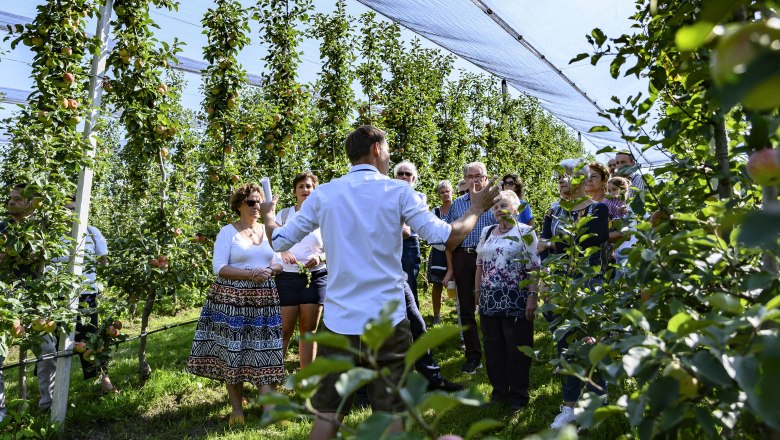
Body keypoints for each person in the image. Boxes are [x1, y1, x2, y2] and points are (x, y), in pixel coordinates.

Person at [259, 125, 500, 440]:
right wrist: (477, 207)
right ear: (376, 149)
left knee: (328, 413)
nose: (388, 158)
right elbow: (446, 237)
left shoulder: (325, 194)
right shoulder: (398, 191)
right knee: (391, 414)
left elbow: (279, 240)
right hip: (387, 320)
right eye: (387, 150)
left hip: (340, 321)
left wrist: (269, 216)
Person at [187, 183, 285, 427]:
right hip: (233, 300)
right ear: (239, 205)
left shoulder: (269, 229)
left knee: (266, 351)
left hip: (264, 300)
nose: (256, 206)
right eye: (251, 202)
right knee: (234, 353)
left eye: (259, 202)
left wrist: (270, 270)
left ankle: (269, 410)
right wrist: (250, 274)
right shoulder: (227, 232)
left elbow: (279, 261)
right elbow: (219, 267)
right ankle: (237, 409)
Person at [538, 159, 609, 429]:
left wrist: (551, 244)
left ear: (580, 179)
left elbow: (592, 239)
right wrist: (545, 279)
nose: (561, 181)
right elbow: (542, 249)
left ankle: (596, 401)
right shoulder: (553, 210)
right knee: (564, 344)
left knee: (589, 343)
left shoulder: (597, 209)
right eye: (558, 177)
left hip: (588, 284)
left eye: (566, 176)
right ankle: (569, 406)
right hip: (558, 285)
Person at [475, 190, 540, 414]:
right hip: (489, 299)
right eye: (495, 207)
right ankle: (499, 393)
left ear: (516, 209)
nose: (499, 210)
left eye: (503, 205)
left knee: (517, 350)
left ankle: (518, 397)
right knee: (493, 349)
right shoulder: (486, 231)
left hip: (516, 299)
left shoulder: (526, 232)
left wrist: (532, 297)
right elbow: (479, 264)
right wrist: (477, 291)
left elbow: (534, 267)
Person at [44, 198, 116, 395]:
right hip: (58, 297)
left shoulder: (92, 232)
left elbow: (103, 260)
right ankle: (53, 391)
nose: (72, 213)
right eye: (67, 209)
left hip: (86, 295)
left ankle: (104, 381)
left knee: (92, 340)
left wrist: (89, 273)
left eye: (76, 209)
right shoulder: (52, 235)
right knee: (55, 342)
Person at [0, 184, 57, 412]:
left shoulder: (43, 230)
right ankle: (1, 412)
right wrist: (8, 248)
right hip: (4, 299)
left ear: (31, 204)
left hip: (35, 300)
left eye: (17, 199)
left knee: (48, 351)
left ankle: (47, 405)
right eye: (10, 198)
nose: (11, 202)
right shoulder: (2, 228)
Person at [443, 162, 497, 374]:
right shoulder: (457, 204)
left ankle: (494, 352)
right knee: (466, 307)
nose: (475, 180)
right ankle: (473, 356)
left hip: (490, 258)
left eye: (479, 175)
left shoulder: (495, 201)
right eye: (470, 176)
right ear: (465, 180)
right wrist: (451, 267)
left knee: (490, 304)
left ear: (486, 178)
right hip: (464, 256)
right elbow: (449, 235)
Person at [275, 172, 326, 370]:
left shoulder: (324, 216)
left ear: (315, 190)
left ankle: (307, 379)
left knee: (308, 331)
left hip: (315, 277)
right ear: (294, 191)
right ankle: (273, 377)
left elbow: (334, 246)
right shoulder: (284, 215)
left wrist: (320, 258)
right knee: (284, 330)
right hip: (286, 277)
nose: (305, 190)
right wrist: (283, 252)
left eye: (309, 186)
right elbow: (272, 241)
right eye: (301, 186)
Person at [394, 161, 426, 307]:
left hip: (409, 244)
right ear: (395, 177)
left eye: (408, 174)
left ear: (414, 178)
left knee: (409, 282)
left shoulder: (419, 197)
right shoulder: (389, 196)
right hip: (391, 243)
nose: (404, 176)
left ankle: (413, 317)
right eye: (400, 173)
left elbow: (412, 225)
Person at [427, 180, 453, 325]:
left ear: (452, 192)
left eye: (447, 191)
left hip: (455, 250)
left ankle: (461, 312)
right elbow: (431, 230)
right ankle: (436, 316)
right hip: (438, 251)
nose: (445, 194)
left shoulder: (457, 209)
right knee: (437, 284)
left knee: (458, 283)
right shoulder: (435, 212)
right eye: (442, 192)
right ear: (439, 195)